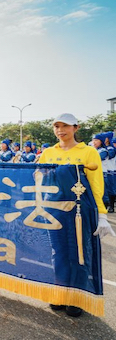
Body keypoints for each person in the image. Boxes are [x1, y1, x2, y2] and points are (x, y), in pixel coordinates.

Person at [39, 113, 115, 317]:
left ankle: (77, 297)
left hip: (79, 210)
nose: (60, 130)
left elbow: (97, 184)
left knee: (79, 253)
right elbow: (39, 178)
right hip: (54, 209)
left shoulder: (89, 152)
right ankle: (61, 292)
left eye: (65, 126)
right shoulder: (47, 152)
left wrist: (102, 214)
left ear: (76, 128)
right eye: (56, 126)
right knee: (58, 252)